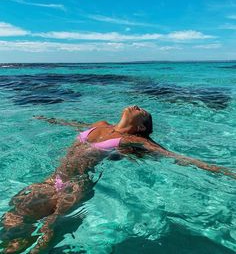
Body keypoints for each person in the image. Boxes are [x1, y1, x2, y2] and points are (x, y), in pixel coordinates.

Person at [1, 105, 235, 253]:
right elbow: (76, 125)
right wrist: (50, 120)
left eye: (141, 110)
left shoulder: (134, 140)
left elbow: (174, 156)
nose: (136, 105)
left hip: (76, 185)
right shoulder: (101, 125)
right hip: (52, 179)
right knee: (13, 217)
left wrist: (221, 170)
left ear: (141, 125)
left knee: (50, 230)